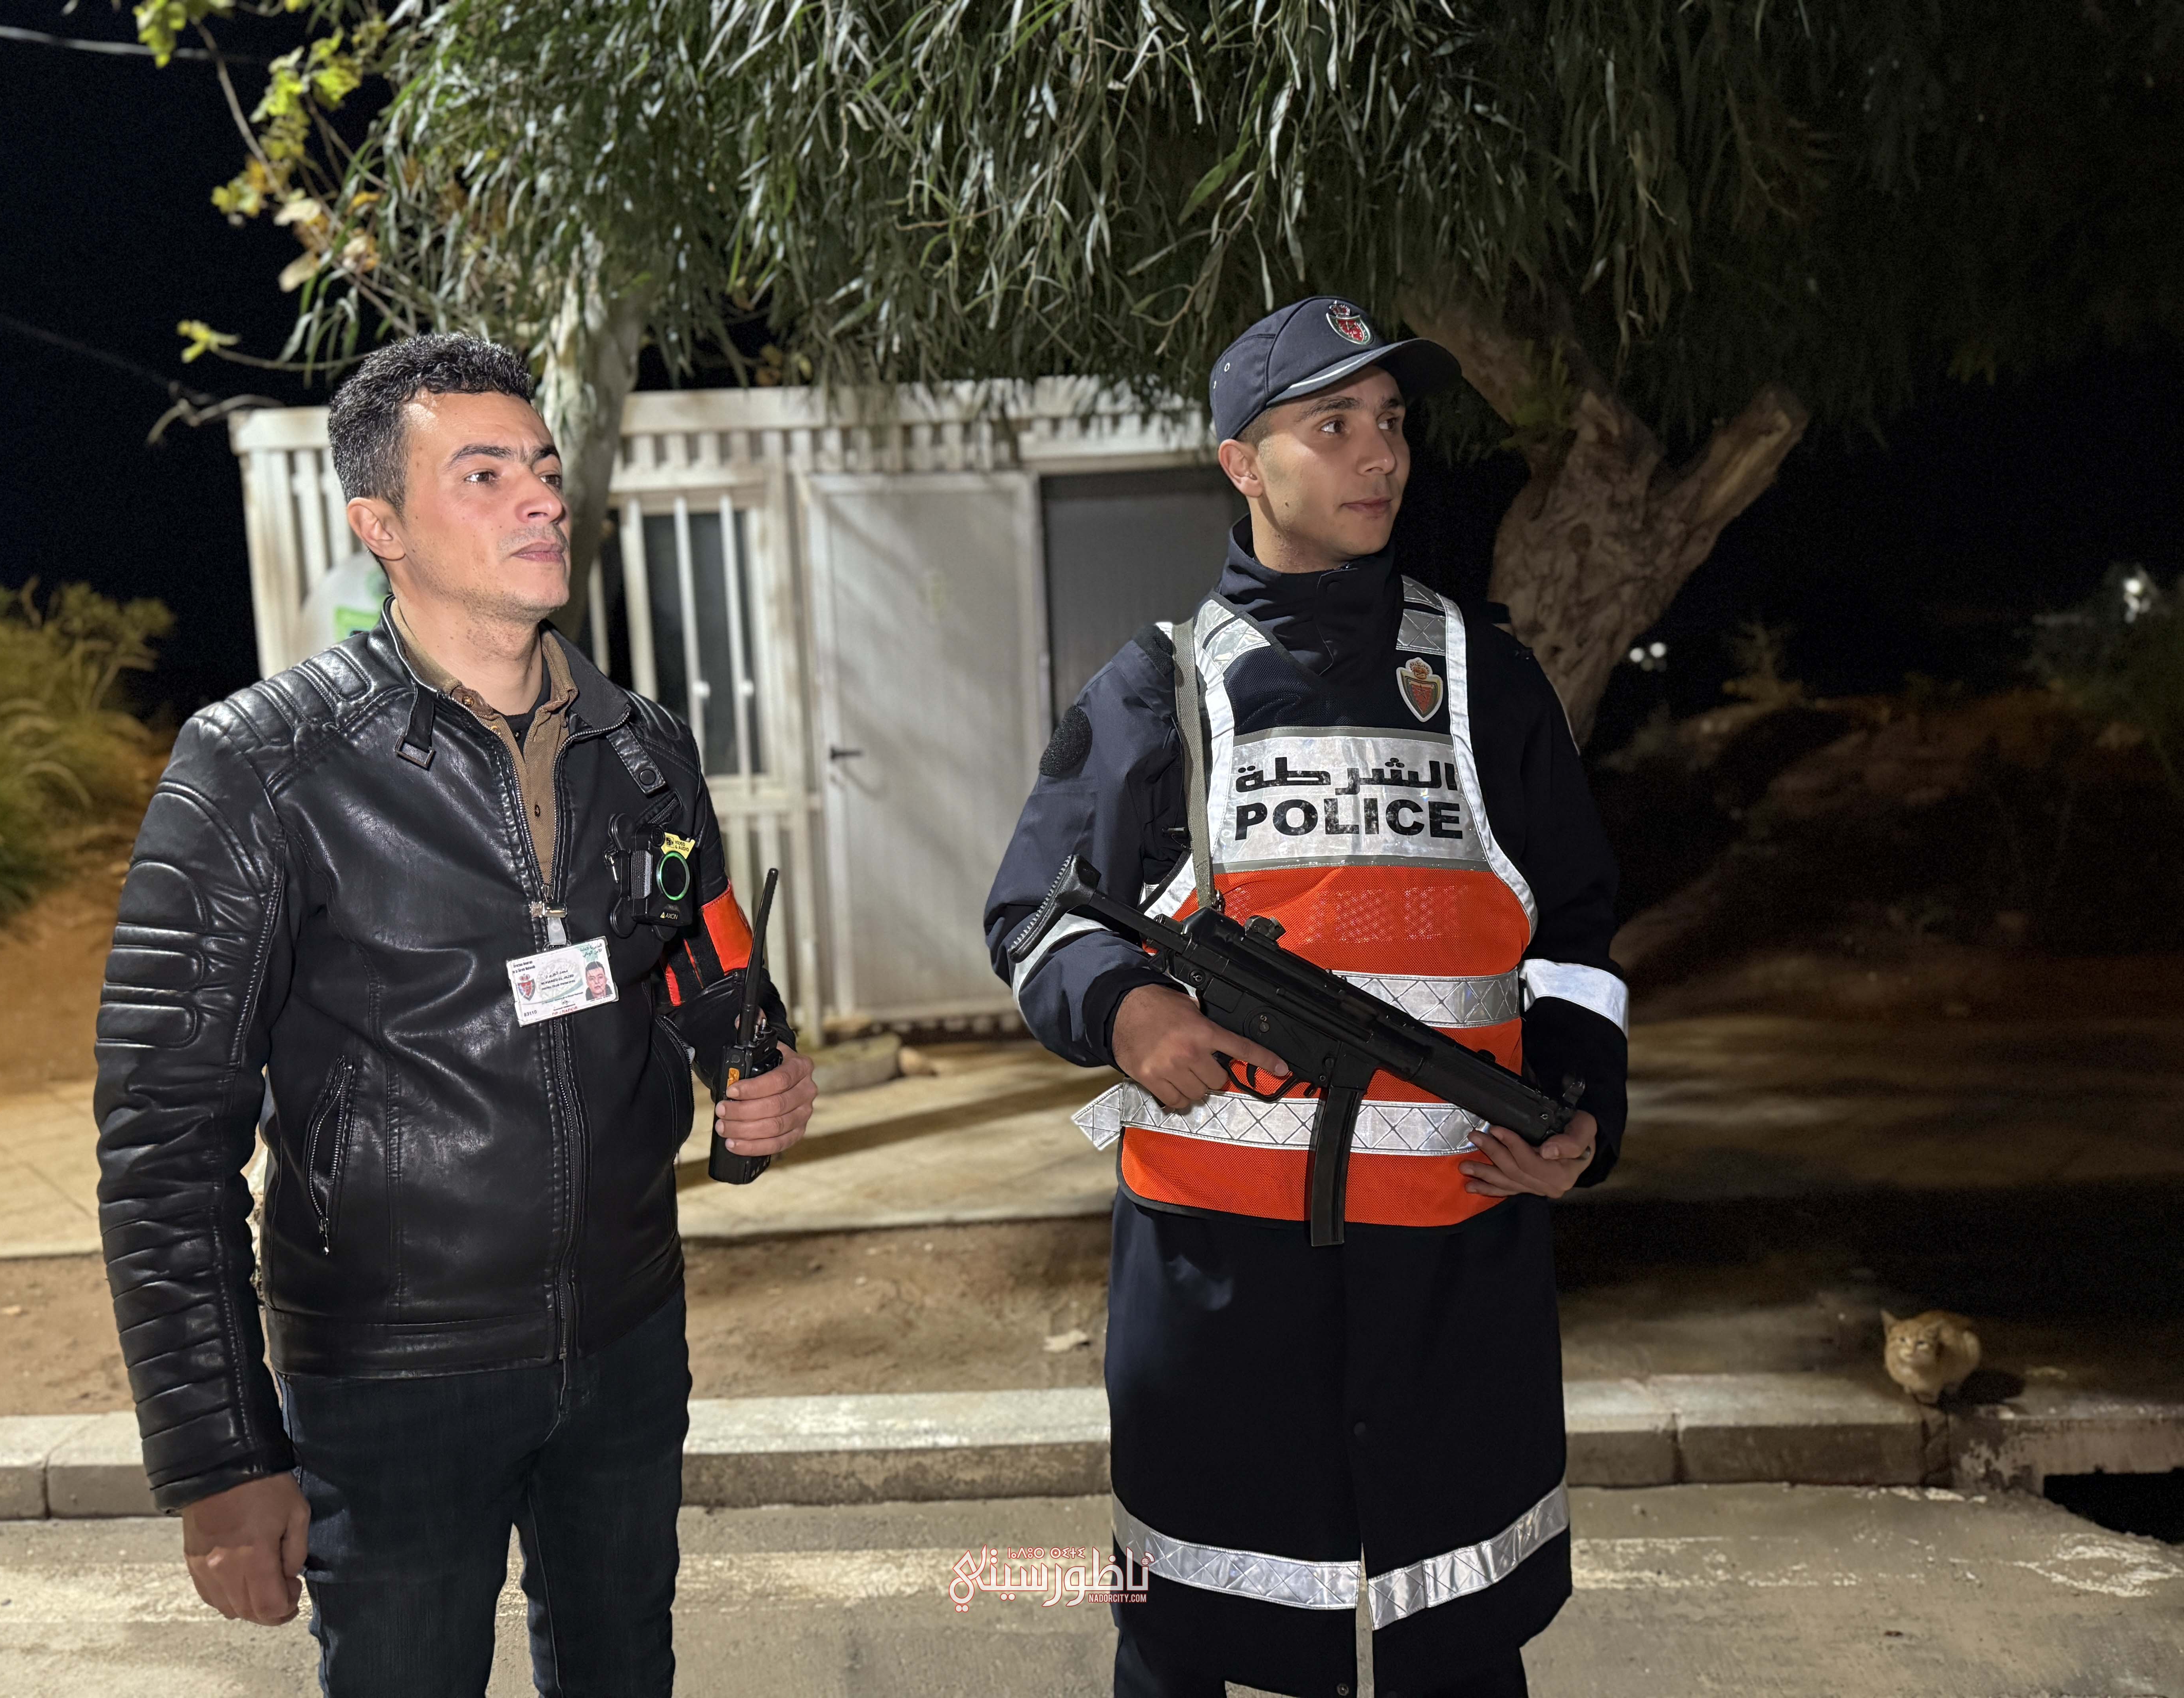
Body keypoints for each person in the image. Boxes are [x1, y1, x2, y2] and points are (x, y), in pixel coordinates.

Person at [95, 333, 817, 1696]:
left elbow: (706, 967)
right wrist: (222, 1456)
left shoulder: (643, 750)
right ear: (380, 526)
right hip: (391, 1381)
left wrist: (757, 1065)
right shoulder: (260, 770)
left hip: (627, 1341)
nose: (542, 495)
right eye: (483, 475)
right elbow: (163, 1141)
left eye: (541, 465)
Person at [985, 297, 1629, 1698]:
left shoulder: (1489, 680)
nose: (1379, 454)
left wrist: (1581, 1108)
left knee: (1454, 1640)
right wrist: (1128, 1012)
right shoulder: (1160, 690)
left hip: (1454, 1277)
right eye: (1332, 425)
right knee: (1194, 1633)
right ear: (1241, 463)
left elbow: (1575, 932)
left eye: (1390, 422)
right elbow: (1034, 914)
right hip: (1222, 1290)